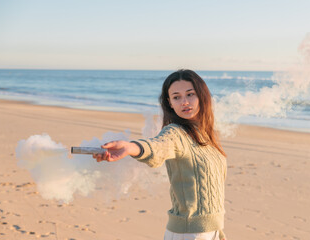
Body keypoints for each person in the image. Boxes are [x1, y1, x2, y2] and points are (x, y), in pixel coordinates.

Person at [93, 69, 227, 240]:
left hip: (211, 231)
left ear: (202, 96)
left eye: (190, 94)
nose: (184, 102)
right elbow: (157, 146)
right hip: (190, 233)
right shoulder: (175, 133)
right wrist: (130, 147)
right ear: (170, 103)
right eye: (176, 97)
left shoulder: (207, 135)